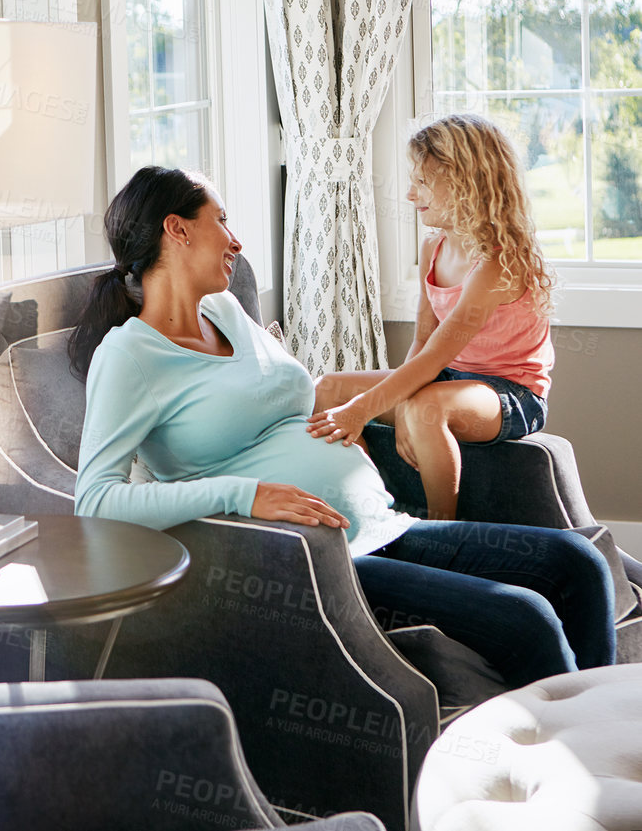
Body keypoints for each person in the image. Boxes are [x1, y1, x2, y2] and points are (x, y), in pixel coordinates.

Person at [70, 165, 612, 688]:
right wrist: (245, 494)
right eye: (222, 221)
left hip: (381, 524)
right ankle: (561, 764)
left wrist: (384, 427)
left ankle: (612, 747)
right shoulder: (129, 356)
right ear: (177, 229)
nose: (235, 242)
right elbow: (95, 501)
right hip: (313, 560)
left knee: (579, 564)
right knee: (524, 617)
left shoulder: (228, 313)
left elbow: (294, 401)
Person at [307, 115, 553, 521]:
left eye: (422, 182)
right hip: (447, 376)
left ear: (465, 183)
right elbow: (423, 338)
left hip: (510, 392)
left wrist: (368, 410)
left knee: (424, 409)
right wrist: (396, 400)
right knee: (328, 387)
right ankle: (370, 508)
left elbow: (436, 356)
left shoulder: (496, 263)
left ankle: (444, 530)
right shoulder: (433, 248)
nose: (409, 193)